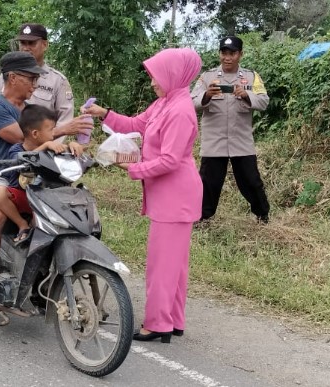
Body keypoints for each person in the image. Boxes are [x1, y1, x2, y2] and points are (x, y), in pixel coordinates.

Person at [83, 48, 203, 343]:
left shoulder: (180, 111)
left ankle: (158, 324)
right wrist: (106, 115)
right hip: (169, 195)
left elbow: (170, 160)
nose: (152, 82)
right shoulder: (166, 102)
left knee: (162, 265)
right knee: (173, 263)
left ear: (174, 75)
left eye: (156, 76)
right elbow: (138, 124)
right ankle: (173, 320)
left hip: (175, 197)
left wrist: (133, 167)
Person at [0, 51, 48, 317]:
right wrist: (58, 133)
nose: (35, 84)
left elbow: (44, 135)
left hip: (26, 175)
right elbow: (22, 137)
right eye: (30, 78)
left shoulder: (28, 111)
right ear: (13, 77)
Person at [190, 36, 271, 224]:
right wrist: (206, 96)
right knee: (208, 183)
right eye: (224, 53)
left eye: (232, 53)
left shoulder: (251, 77)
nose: (227, 57)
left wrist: (247, 95)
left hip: (241, 142)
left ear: (240, 54)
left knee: (251, 182)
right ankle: (202, 218)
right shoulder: (207, 77)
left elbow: (264, 101)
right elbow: (191, 102)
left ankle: (262, 215)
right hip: (214, 142)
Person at [0, 105, 85, 246]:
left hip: (47, 197)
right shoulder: (16, 149)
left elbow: (67, 150)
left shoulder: (51, 148)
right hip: (24, 196)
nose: (54, 133)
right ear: (35, 133)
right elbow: (23, 158)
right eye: (51, 130)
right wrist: (46, 146)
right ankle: (22, 224)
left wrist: (73, 145)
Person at [0, 23, 93, 142]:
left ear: (45, 45)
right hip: (8, 143)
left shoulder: (58, 81)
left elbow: (64, 121)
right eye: (23, 43)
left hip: (44, 151)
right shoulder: (9, 76)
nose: (26, 48)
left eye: (31, 43)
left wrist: (49, 151)